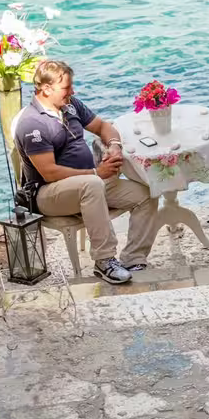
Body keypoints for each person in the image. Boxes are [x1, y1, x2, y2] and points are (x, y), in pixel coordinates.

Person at [13, 59, 160, 285]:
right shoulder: (32, 124)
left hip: (90, 182)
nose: (72, 91)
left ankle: (133, 258)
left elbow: (103, 127)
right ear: (46, 88)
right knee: (92, 185)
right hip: (48, 193)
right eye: (66, 88)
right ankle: (104, 261)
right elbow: (49, 173)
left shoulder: (70, 106)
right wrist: (96, 172)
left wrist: (113, 146)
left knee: (146, 193)